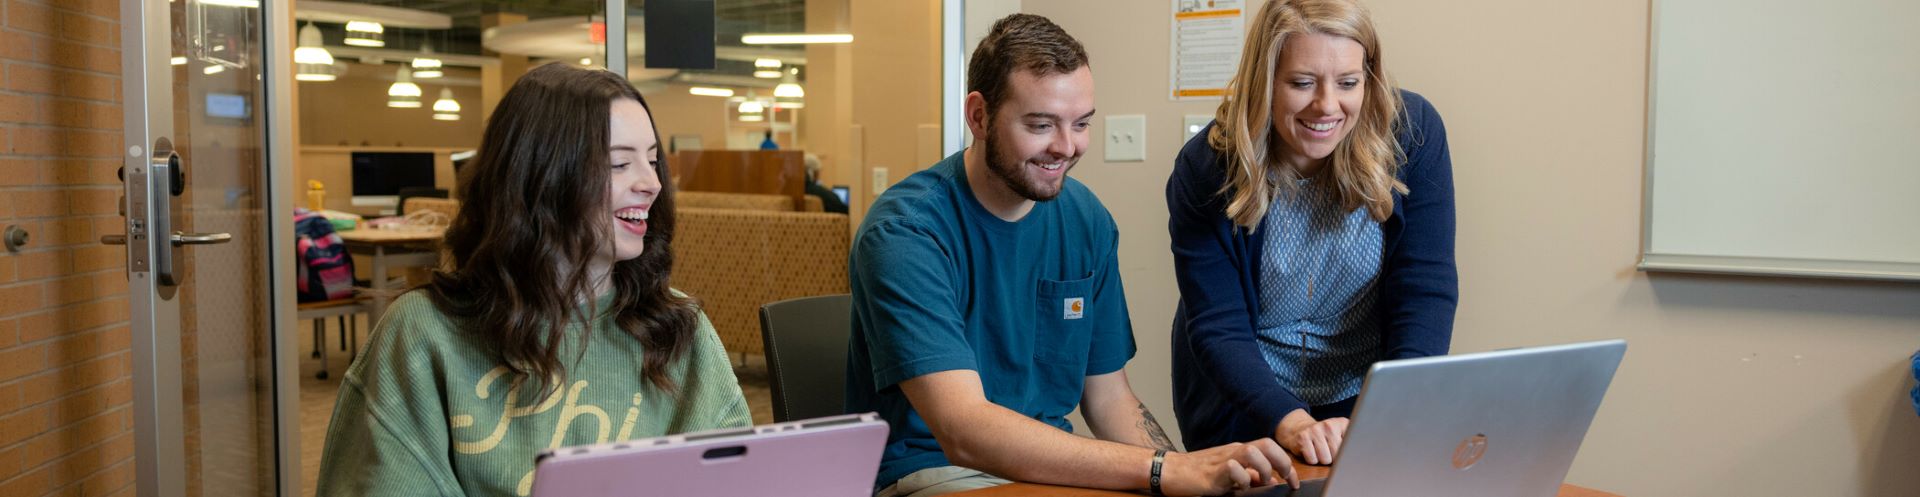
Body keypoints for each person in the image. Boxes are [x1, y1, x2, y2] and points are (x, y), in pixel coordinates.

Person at [846, 14, 1298, 497]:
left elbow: (1108, 399)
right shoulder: (906, 233)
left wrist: (1186, 471)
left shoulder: (1086, 220)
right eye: (1041, 125)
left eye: (1080, 124)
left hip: (1047, 471)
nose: (1066, 147)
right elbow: (965, 432)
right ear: (978, 116)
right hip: (934, 472)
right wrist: (1161, 472)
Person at [316, 63, 751, 497]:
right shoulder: (425, 333)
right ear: (540, 178)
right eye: (619, 163)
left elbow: (743, 481)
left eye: (653, 161)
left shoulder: (678, 327)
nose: (652, 183)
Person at [1167, 0, 1457, 466]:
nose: (1327, 105)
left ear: (1370, 76)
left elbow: (1425, 290)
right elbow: (1219, 324)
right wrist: (1292, 422)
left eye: (1348, 83)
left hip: (1362, 395)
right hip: (1243, 399)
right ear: (1265, 82)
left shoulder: (1413, 134)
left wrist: (1390, 410)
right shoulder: (1205, 168)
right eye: (1302, 83)